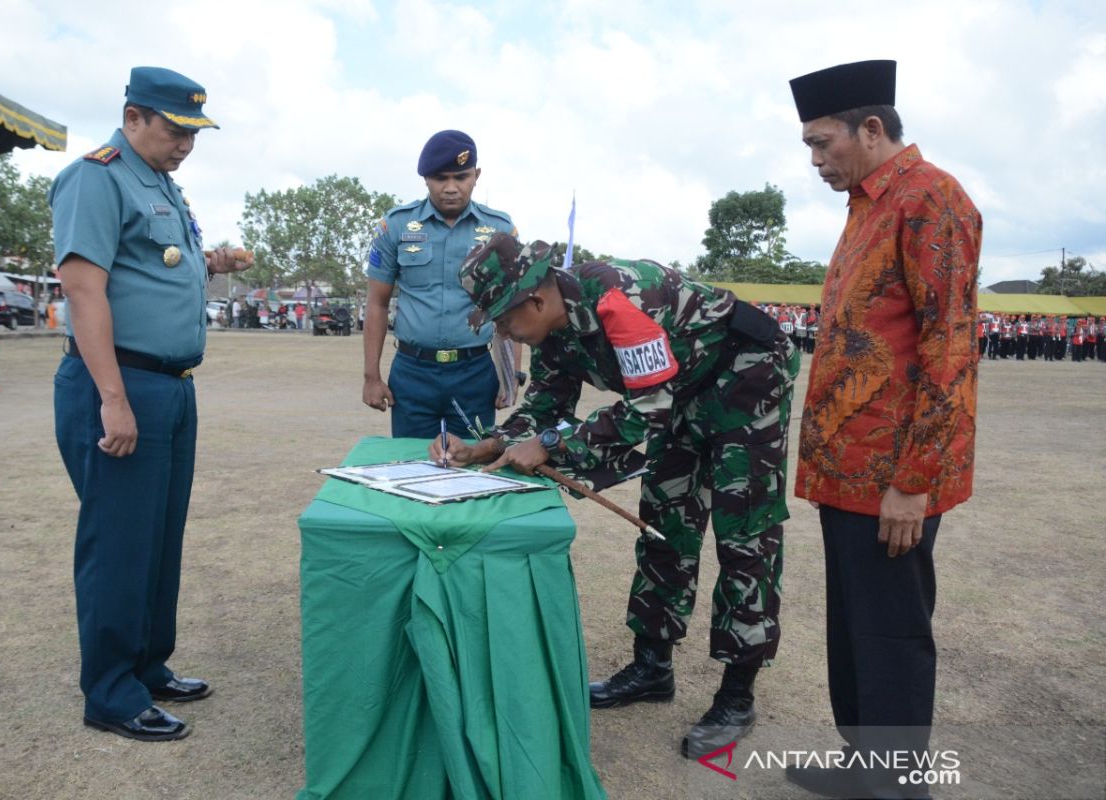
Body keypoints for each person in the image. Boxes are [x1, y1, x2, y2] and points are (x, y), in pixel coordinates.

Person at [430, 233, 799, 760]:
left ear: (536, 300)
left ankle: (737, 696)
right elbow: (545, 409)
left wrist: (553, 444)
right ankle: (652, 668)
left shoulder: (617, 300)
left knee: (746, 536)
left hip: (746, 376)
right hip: (681, 389)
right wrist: (487, 444)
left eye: (505, 320)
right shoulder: (553, 330)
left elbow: (647, 410)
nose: (504, 331)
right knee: (665, 524)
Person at [788, 60, 981, 798]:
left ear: (872, 130)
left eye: (822, 143)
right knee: (853, 630)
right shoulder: (868, 203)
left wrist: (913, 483)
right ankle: (863, 769)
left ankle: (899, 788)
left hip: (892, 479)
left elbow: (951, 350)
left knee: (893, 635)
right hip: (846, 471)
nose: (815, 162)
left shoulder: (932, 200)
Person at [50, 67, 250, 742]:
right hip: (121, 384)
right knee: (120, 541)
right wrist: (112, 398)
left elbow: (161, 266)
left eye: (195, 132)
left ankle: (146, 664)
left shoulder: (161, 185)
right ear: (134, 115)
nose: (186, 144)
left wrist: (214, 260)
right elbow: (85, 293)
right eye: (175, 129)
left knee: (159, 539)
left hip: (170, 386)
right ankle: (110, 691)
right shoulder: (97, 177)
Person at [362, 130, 521, 438]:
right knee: (411, 470)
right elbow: (376, 303)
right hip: (412, 372)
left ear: (476, 175)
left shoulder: (500, 230)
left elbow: (511, 308)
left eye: (461, 177)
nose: (451, 188)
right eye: (440, 178)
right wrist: (371, 376)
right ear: (425, 179)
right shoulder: (395, 226)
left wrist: (510, 375)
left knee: (473, 468)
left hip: (474, 373)